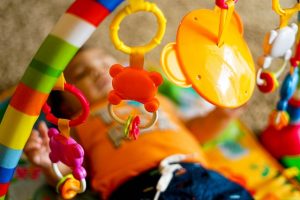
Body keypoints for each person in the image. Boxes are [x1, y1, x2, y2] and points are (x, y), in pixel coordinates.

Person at [24, 47, 252, 200]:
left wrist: (223, 115)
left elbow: (194, 130)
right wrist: (49, 162)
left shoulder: (155, 100)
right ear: (66, 107)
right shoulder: (79, 123)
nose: (97, 70)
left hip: (201, 175)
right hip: (140, 188)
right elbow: (72, 173)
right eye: (82, 73)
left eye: (105, 62)